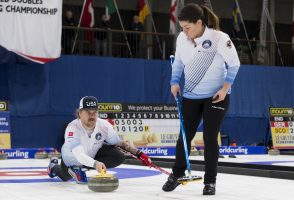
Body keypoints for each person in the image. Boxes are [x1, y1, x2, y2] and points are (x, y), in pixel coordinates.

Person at [162, 4, 240, 195]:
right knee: (184, 136)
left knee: (209, 138)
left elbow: (234, 64)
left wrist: (225, 88)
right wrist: (174, 82)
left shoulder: (219, 38)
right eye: (182, 28)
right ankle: (177, 174)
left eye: (188, 28)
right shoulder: (182, 38)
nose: (185, 32)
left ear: (199, 23)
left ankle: (210, 182)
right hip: (190, 95)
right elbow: (178, 61)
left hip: (216, 96)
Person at [47, 96, 152, 184]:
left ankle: (80, 169)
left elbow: (120, 143)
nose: (92, 115)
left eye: (95, 112)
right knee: (64, 176)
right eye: (88, 112)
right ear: (79, 113)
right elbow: (79, 155)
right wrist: (95, 164)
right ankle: (53, 167)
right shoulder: (72, 128)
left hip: (91, 155)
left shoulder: (104, 126)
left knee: (118, 156)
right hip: (72, 158)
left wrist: (139, 154)